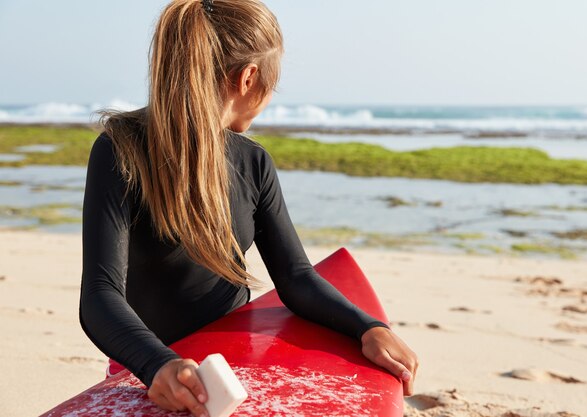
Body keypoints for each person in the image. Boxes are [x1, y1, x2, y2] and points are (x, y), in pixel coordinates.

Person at [79, 0, 418, 415]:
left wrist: (366, 327)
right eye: (273, 82)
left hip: (231, 362)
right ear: (249, 78)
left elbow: (295, 277)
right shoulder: (121, 149)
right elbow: (100, 295)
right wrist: (158, 364)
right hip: (144, 367)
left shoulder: (254, 162)